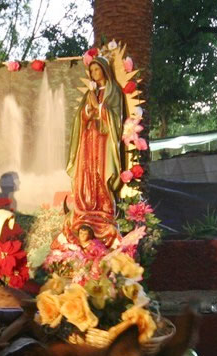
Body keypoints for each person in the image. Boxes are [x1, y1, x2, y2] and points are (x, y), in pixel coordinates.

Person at [61, 55, 124, 248]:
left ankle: (102, 207)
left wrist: (100, 108)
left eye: (97, 70)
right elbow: (80, 118)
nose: (94, 74)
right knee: (86, 172)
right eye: (92, 70)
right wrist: (88, 111)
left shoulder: (114, 91)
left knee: (101, 172)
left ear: (105, 70)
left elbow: (116, 118)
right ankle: (85, 206)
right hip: (89, 140)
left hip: (104, 140)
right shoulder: (89, 93)